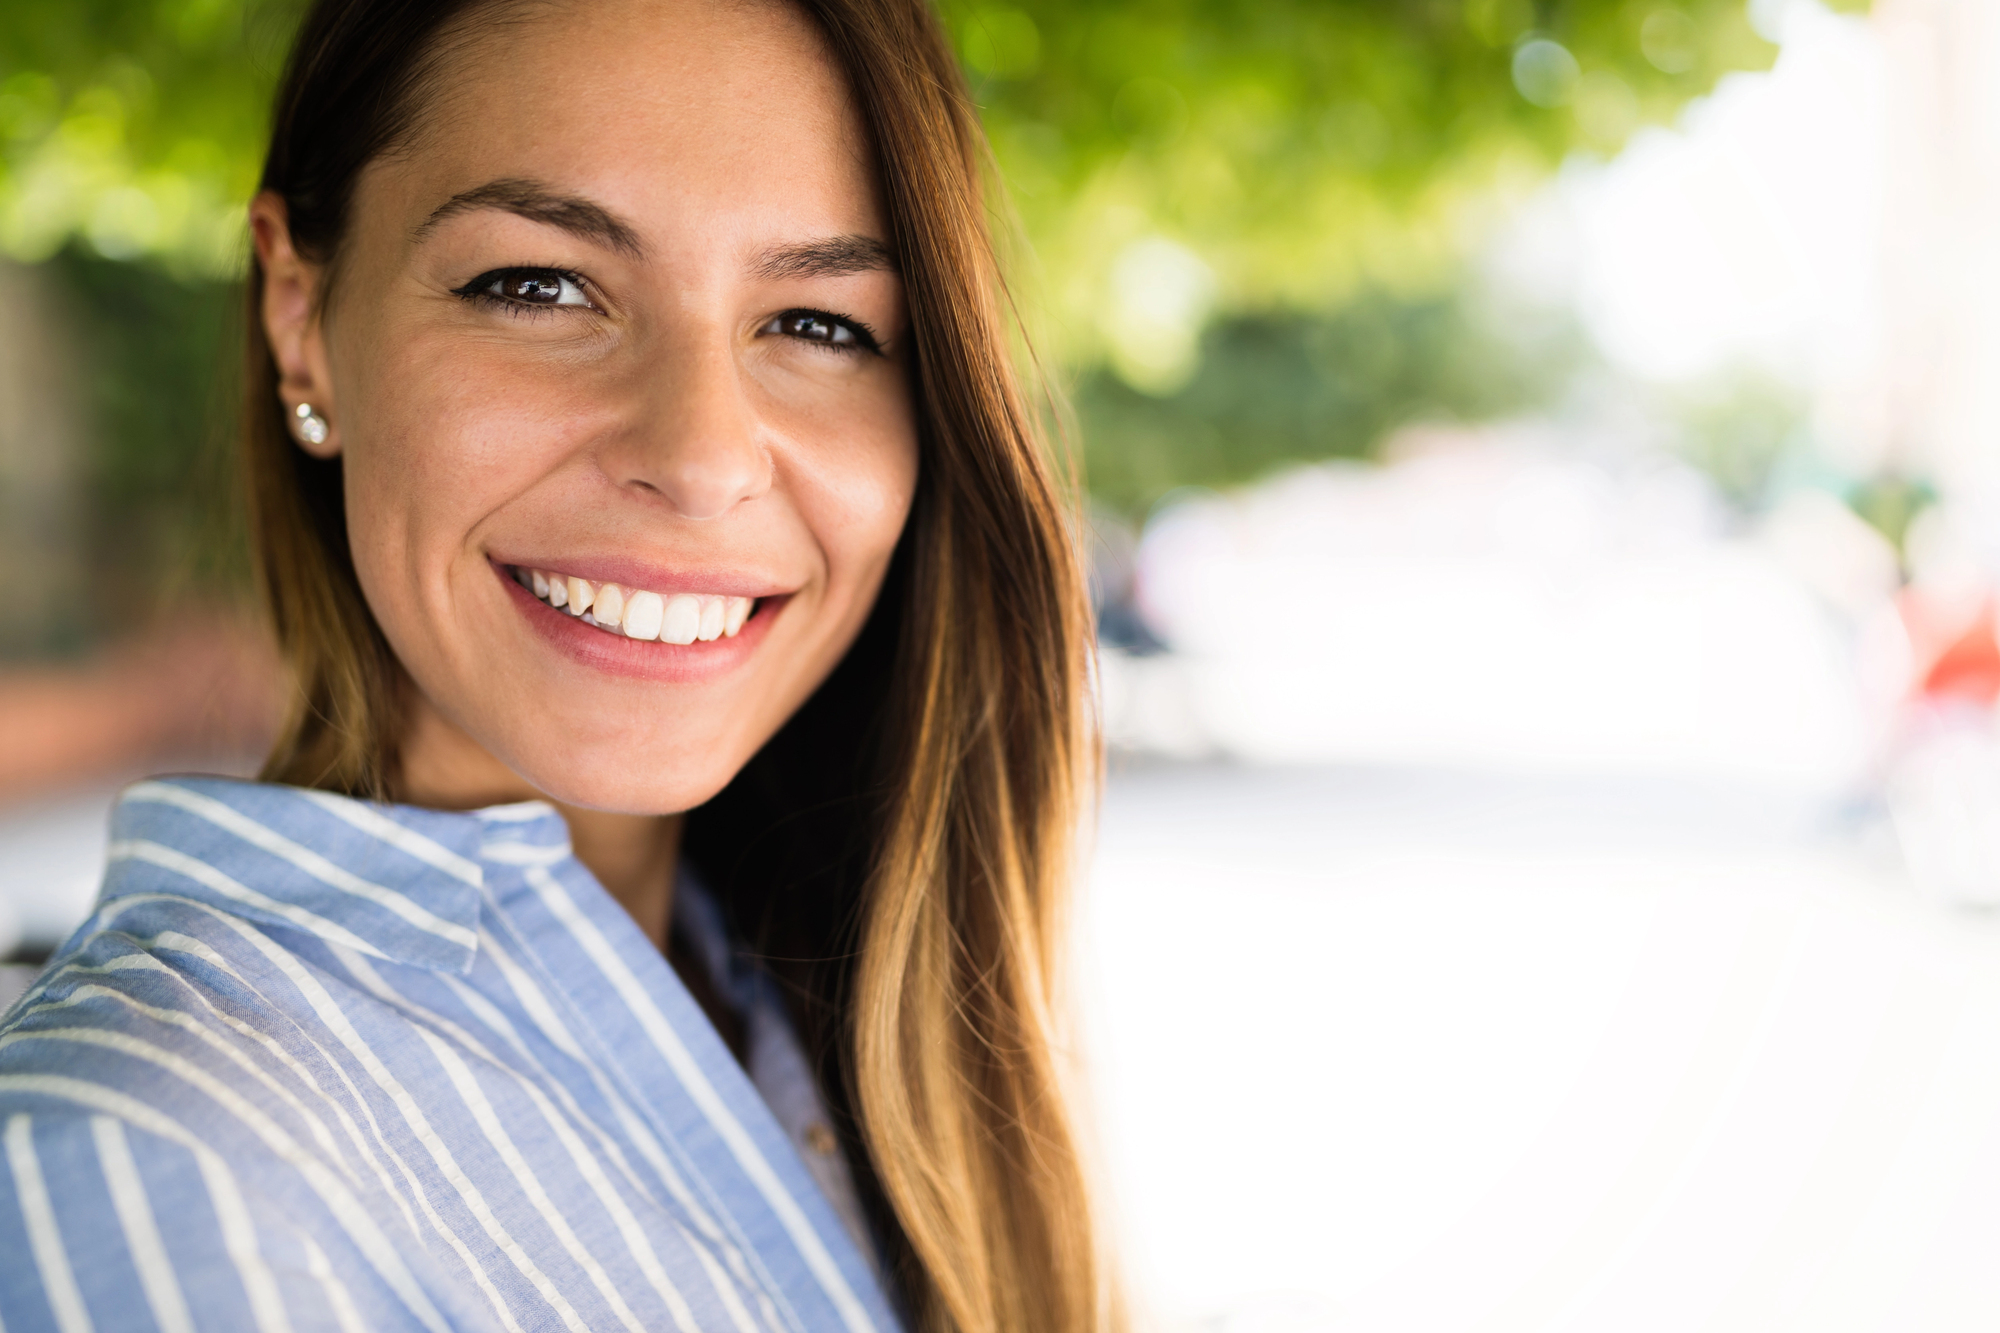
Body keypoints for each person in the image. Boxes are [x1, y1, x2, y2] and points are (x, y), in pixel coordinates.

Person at [0, 0, 1109, 1329]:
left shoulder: (853, 1020)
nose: (701, 459)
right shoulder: (152, 1158)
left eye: (820, 322)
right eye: (538, 285)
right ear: (302, 319)